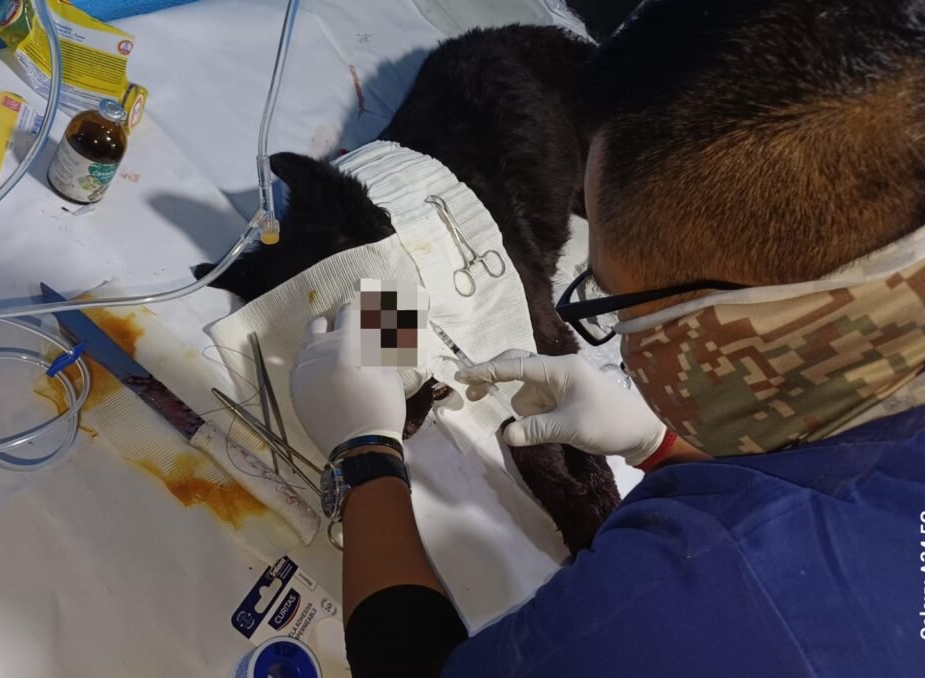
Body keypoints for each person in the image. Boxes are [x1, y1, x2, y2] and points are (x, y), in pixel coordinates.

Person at [289, 0, 925, 675]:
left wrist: (364, 457)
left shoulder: (690, 604)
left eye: (617, 300)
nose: (620, 338)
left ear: (741, 324)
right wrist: (665, 448)